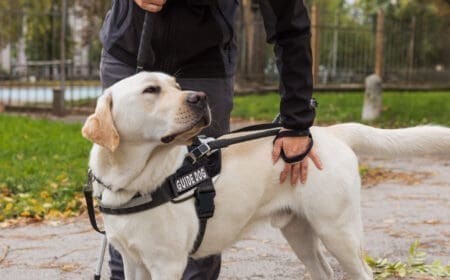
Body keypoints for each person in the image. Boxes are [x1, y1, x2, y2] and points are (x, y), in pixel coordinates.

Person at [99, 0, 322, 279]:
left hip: (204, 64)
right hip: (131, 49)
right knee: (126, 201)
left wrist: (296, 121)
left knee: (201, 203)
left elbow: (289, 22)